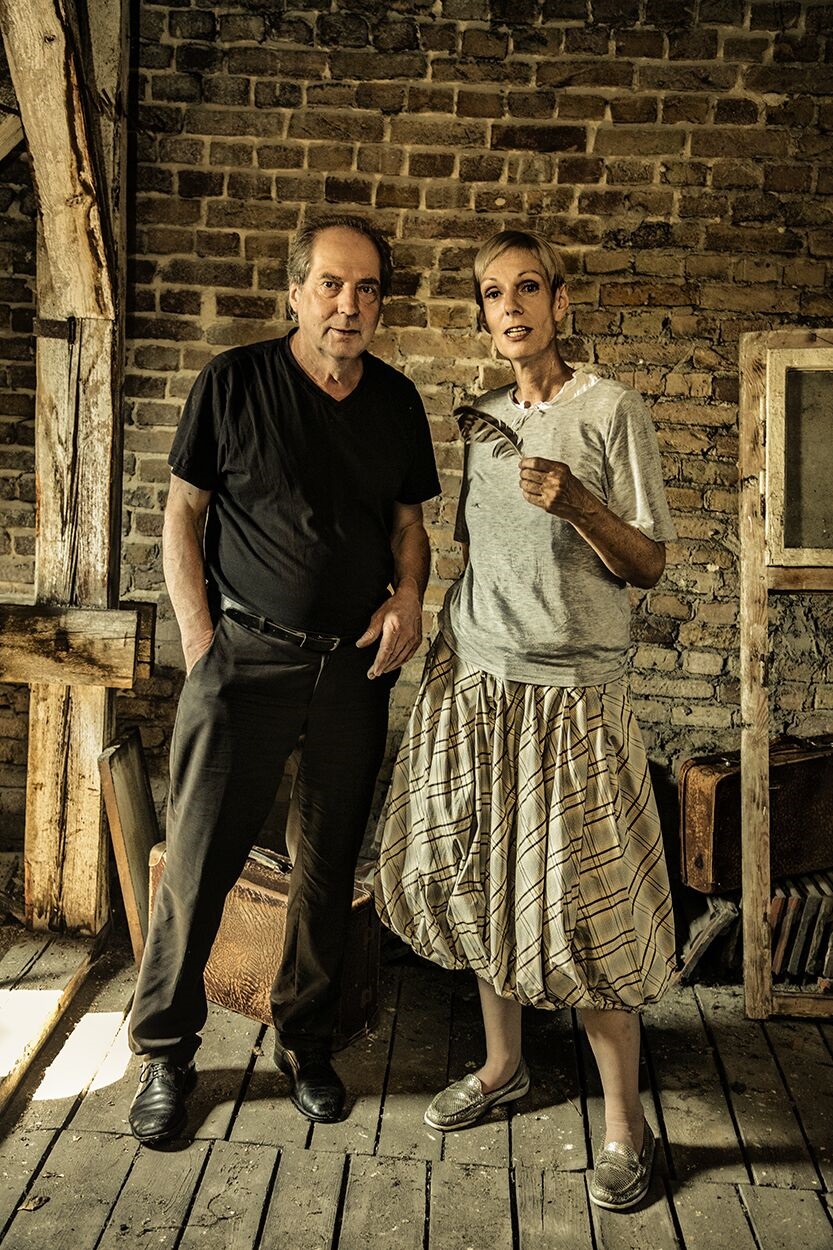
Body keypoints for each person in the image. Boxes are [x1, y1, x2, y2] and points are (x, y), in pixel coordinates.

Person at [375, 229, 677, 1212]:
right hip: (478, 687)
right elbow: (479, 554)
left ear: (559, 303)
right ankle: (503, 1065)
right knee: (483, 883)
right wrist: (446, 652)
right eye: (492, 294)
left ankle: (624, 1125)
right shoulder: (485, 420)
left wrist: (581, 503)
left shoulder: (609, 409)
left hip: (573, 699)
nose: (510, 307)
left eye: (528, 288)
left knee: (589, 907)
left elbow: (647, 563)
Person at [128, 214, 440, 1143]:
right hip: (243, 658)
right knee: (197, 865)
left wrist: (410, 597)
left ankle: (305, 1042)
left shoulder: (395, 401)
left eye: (367, 288)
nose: (349, 304)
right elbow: (183, 515)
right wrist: (201, 641)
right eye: (331, 285)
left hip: (353, 665)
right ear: (295, 292)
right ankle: (166, 1053)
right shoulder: (232, 382)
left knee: (327, 866)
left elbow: (408, 528)